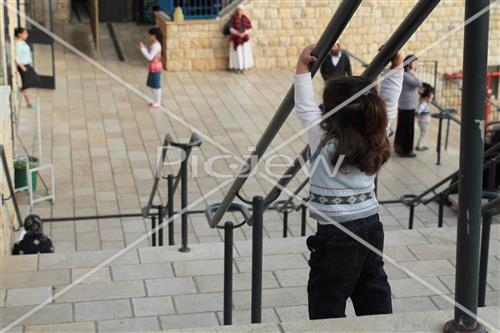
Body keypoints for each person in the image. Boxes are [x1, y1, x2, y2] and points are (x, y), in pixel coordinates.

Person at [294, 44, 403, 319]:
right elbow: (390, 103)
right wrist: (396, 67)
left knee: (326, 299)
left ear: (330, 111)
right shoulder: (377, 132)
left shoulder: (323, 138)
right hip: (371, 226)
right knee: (373, 288)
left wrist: (301, 68)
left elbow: (304, 107)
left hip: (334, 235)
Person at [394, 55, 421, 157]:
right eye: (415, 62)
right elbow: (418, 84)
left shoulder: (406, 74)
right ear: (409, 63)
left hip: (406, 105)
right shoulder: (406, 74)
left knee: (402, 127)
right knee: (407, 129)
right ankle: (406, 151)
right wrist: (414, 74)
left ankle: (399, 147)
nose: (416, 64)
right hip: (408, 106)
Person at [14, 27, 40, 109]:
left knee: (35, 80)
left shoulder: (23, 42)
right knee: (26, 85)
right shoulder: (18, 44)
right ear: (19, 34)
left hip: (27, 65)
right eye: (25, 33)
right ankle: (29, 104)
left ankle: (21, 90)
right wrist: (22, 67)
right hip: (23, 66)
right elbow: (16, 57)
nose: (27, 35)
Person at [140, 27, 163, 108]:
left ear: (154, 36)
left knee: (156, 85)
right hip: (153, 67)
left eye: (150, 35)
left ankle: (158, 102)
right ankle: (156, 101)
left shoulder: (156, 46)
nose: (149, 37)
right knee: (153, 85)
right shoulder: (155, 45)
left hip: (155, 67)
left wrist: (143, 49)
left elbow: (150, 57)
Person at [228, 4, 253, 73]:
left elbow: (250, 28)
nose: (240, 11)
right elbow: (230, 28)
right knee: (238, 54)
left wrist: (244, 33)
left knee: (244, 53)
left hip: (244, 38)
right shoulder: (233, 18)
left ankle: (243, 67)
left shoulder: (245, 18)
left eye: (241, 10)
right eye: (239, 10)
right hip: (236, 38)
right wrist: (237, 33)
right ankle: (238, 67)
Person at [415, 83, 435, 151]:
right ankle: (419, 146)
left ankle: (421, 144)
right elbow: (418, 110)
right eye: (431, 98)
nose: (431, 100)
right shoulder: (424, 103)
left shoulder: (422, 101)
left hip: (423, 121)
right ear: (427, 97)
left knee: (424, 133)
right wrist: (417, 114)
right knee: (423, 134)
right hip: (423, 121)